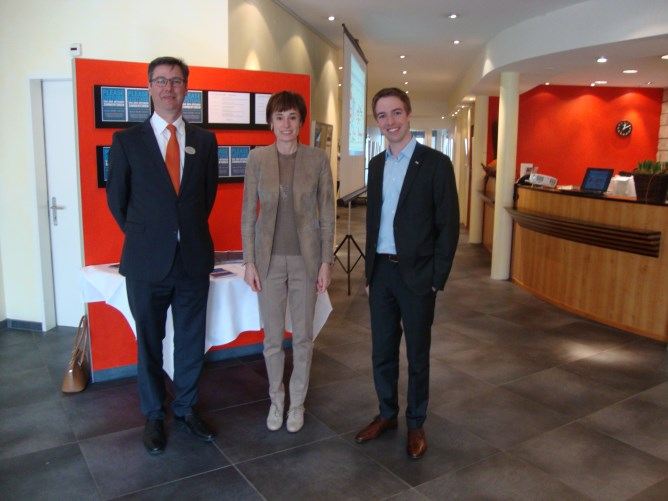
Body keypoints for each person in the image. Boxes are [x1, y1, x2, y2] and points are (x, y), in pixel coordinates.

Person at [106, 56, 218, 455]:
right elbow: (118, 201)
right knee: (150, 343)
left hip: (192, 260)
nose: (168, 87)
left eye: (175, 80)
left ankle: (186, 409)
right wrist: (151, 235)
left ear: (186, 87)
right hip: (146, 262)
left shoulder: (205, 141)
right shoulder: (127, 141)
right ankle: (154, 415)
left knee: (190, 340)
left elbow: (205, 198)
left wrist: (180, 232)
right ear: (149, 88)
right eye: (160, 81)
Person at [355, 87, 459, 459]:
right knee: (382, 350)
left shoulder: (435, 164)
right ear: (377, 121)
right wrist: (369, 273)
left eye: (396, 113)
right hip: (382, 272)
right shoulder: (376, 164)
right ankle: (386, 414)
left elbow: (448, 225)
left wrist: (436, 279)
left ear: (409, 114)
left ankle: (416, 422)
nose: (390, 122)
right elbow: (374, 222)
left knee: (417, 354)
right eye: (382, 116)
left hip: (418, 276)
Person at [241, 91, 334, 433]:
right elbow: (248, 213)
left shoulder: (317, 159)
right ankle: (276, 399)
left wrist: (326, 262)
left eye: (292, 117)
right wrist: (249, 261)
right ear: (270, 122)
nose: (286, 124)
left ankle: (297, 403)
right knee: (272, 339)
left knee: (304, 337)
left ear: (301, 121)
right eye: (279, 117)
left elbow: (327, 214)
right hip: (268, 262)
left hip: (305, 262)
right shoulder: (257, 158)